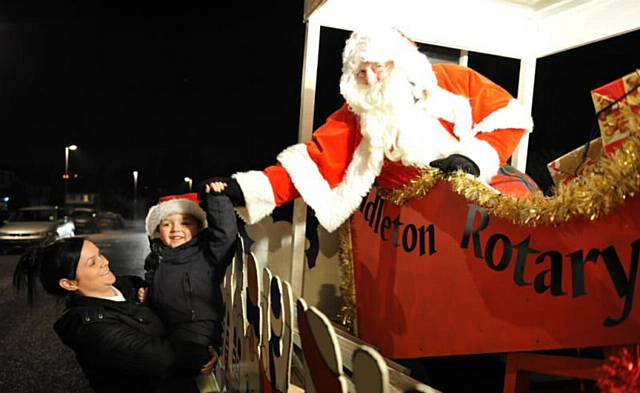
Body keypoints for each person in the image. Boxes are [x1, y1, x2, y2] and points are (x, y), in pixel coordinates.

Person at [213, 26, 539, 233]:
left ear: (398, 63)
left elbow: (506, 118)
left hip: (478, 194)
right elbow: (311, 163)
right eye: (361, 72)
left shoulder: (452, 81)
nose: (370, 81)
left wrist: (472, 161)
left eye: (377, 69)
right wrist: (243, 188)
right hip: (413, 222)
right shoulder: (357, 116)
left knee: (524, 204)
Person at [12, 237, 216, 393]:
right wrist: (203, 353)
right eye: (92, 262)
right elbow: (162, 358)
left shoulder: (128, 285)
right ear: (70, 283)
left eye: (100, 254)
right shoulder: (91, 328)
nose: (105, 262)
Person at [142, 181, 238, 384]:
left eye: (186, 223)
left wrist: (217, 199)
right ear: (158, 230)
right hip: (164, 325)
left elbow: (224, 235)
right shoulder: (157, 257)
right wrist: (148, 295)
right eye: (167, 224)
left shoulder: (206, 254)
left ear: (199, 227)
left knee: (186, 369)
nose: (176, 229)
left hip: (198, 328)